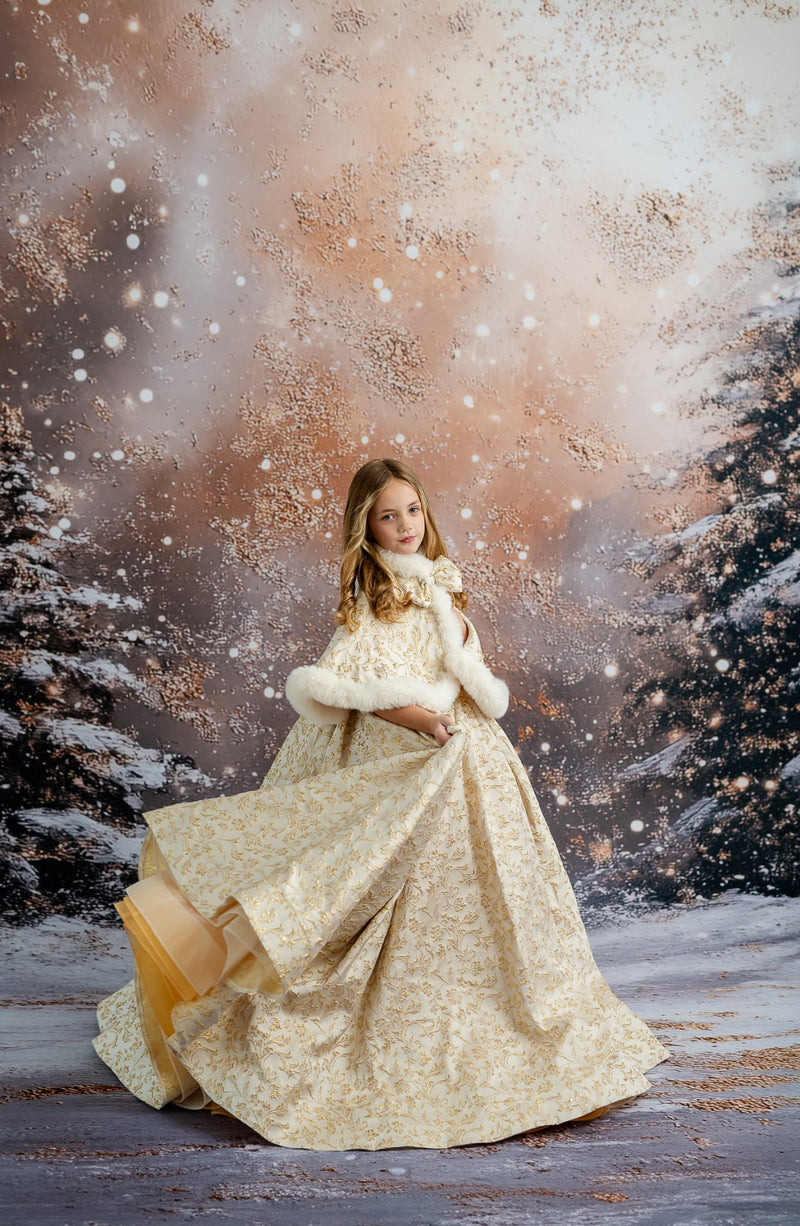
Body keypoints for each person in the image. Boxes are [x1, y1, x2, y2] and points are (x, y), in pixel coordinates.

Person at [92, 457, 668, 1151]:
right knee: (362, 884)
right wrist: (417, 719)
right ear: (366, 527)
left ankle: (495, 1012)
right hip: (406, 757)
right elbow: (340, 682)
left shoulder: (440, 588)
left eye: (413, 512)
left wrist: (452, 702)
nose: (403, 527)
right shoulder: (376, 598)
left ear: (428, 515)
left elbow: (454, 668)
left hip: (465, 753)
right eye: (387, 515)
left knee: (489, 894)